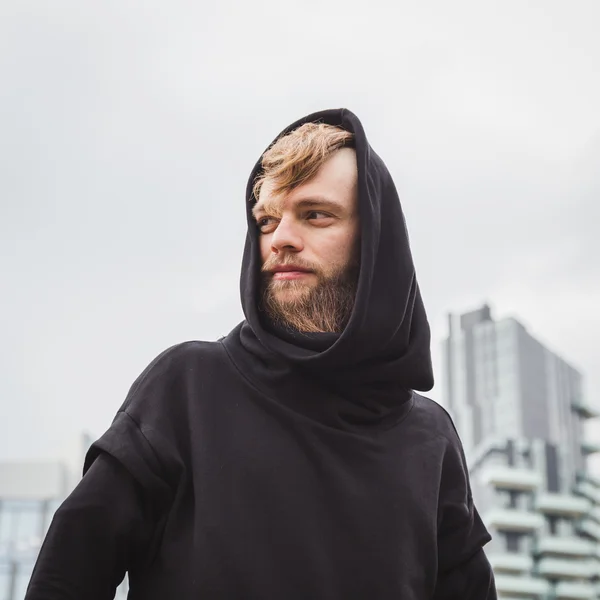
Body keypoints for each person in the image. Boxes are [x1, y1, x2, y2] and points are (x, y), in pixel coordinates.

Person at [25, 108, 496, 599]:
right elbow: (66, 577)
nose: (281, 239)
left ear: (376, 241)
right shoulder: (186, 387)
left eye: (315, 214)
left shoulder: (430, 437)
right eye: (267, 220)